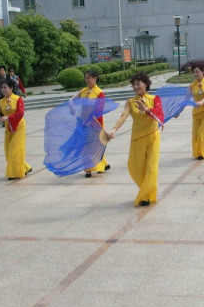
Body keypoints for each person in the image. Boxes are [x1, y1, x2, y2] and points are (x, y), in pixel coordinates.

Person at [108, 72, 164, 206]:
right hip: (137, 139)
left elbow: (160, 113)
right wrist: (114, 129)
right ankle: (145, 189)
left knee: (151, 167)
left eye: (138, 83)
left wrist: (146, 109)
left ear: (146, 84)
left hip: (153, 137)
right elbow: (123, 116)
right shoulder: (130, 102)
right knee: (136, 167)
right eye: (133, 85)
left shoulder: (155, 99)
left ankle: (145, 196)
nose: (136, 86)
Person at [0, 77, 32, 180]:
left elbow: (21, 113)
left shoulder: (18, 99)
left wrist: (7, 117)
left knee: (14, 149)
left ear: (11, 88)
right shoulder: (1, 102)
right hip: (9, 128)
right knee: (8, 151)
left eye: (5, 87)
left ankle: (15, 173)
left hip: (19, 127)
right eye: (1, 88)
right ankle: (25, 167)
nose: (3, 89)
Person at [70, 69, 110, 177]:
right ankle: (88, 169)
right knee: (85, 146)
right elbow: (72, 100)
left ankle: (102, 165)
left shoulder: (99, 93)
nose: (87, 80)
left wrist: (91, 121)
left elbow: (99, 110)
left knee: (96, 146)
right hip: (84, 123)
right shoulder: (83, 91)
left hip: (96, 123)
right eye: (86, 78)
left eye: (89, 78)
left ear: (95, 78)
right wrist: (71, 105)